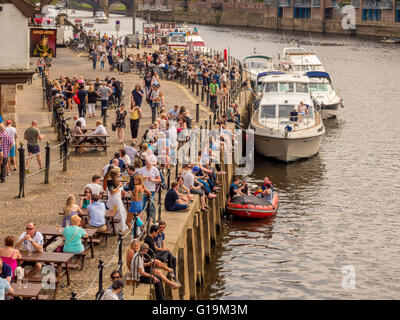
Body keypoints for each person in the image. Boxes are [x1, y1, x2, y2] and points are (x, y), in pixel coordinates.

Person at [137, 155, 161, 221]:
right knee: (143, 205)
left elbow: (159, 180)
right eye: (145, 161)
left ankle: (153, 218)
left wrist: (153, 180)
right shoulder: (142, 169)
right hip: (143, 190)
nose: (146, 163)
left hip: (151, 190)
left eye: (147, 162)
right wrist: (143, 178)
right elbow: (138, 179)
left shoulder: (155, 169)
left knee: (151, 204)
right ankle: (148, 216)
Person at [106, 166, 128, 232]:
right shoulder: (109, 181)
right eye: (118, 173)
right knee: (116, 211)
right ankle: (116, 227)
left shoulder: (115, 179)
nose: (119, 174)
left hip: (117, 197)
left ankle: (121, 226)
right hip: (114, 199)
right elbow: (112, 192)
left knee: (121, 211)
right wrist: (119, 186)